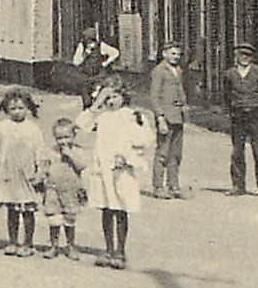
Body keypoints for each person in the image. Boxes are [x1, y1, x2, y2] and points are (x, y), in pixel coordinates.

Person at [78, 80, 152, 268]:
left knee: (120, 208)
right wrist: (97, 104)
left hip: (121, 169)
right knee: (106, 208)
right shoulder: (101, 117)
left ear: (124, 97)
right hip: (103, 168)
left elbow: (144, 140)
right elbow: (81, 125)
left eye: (115, 97)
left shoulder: (131, 115)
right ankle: (108, 249)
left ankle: (120, 250)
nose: (111, 101)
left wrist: (126, 157)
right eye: (107, 97)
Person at [0, 88, 44, 257]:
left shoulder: (33, 129)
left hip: (27, 174)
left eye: (21, 108)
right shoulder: (1, 127)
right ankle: (12, 241)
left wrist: (40, 171)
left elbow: (40, 152)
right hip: (8, 174)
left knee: (28, 210)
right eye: (13, 108)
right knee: (12, 210)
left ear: (28, 108)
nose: (17, 112)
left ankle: (28, 243)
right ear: (6, 109)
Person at [224, 42, 258, 197]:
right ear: (236, 56)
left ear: (252, 57)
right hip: (238, 116)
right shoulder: (230, 74)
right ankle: (238, 186)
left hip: (256, 115)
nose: (245, 58)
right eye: (241, 55)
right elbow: (226, 95)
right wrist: (231, 111)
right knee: (237, 151)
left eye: (248, 55)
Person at [41, 117, 88, 260]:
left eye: (66, 137)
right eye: (59, 138)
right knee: (53, 218)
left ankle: (70, 246)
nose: (63, 141)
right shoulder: (51, 151)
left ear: (74, 136)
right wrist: (42, 175)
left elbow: (81, 166)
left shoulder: (78, 151)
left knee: (69, 218)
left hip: (71, 190)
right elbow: (44, 166)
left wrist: (70, 155)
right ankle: (53, 246)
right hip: (52, 189)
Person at [147, 40, 188, 199]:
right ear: (164, 54)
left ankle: (174, 185)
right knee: (163, 152)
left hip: (178, 116)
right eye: (172, 53)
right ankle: (158, 186)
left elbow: (181, 90)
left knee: (176, 154)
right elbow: (154, 96)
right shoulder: (159, 71)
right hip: (166, 116)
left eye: (178, 54)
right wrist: (160, 117)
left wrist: (184, 105)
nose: (176, 57)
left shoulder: (178, 70)